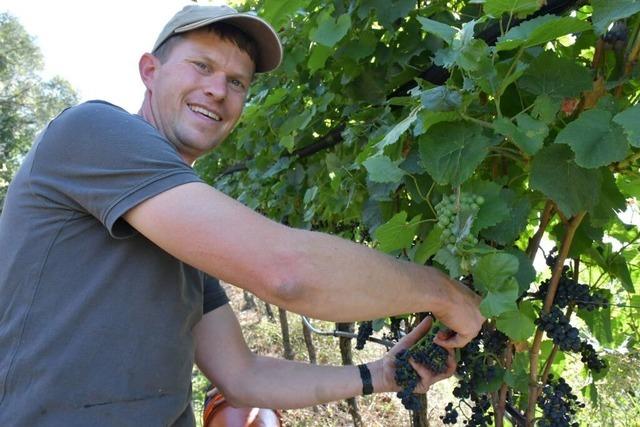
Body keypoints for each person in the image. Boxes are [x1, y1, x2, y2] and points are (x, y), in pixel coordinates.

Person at [0, 3, 484, 426]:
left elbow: (242, 375)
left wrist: (377, 374)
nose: (218, 90)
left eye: (236, 82)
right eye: (202, 66)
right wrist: (442, 293)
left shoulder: (182, 234)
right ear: (149, 70)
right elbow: (289, 273)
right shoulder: (93, 131)